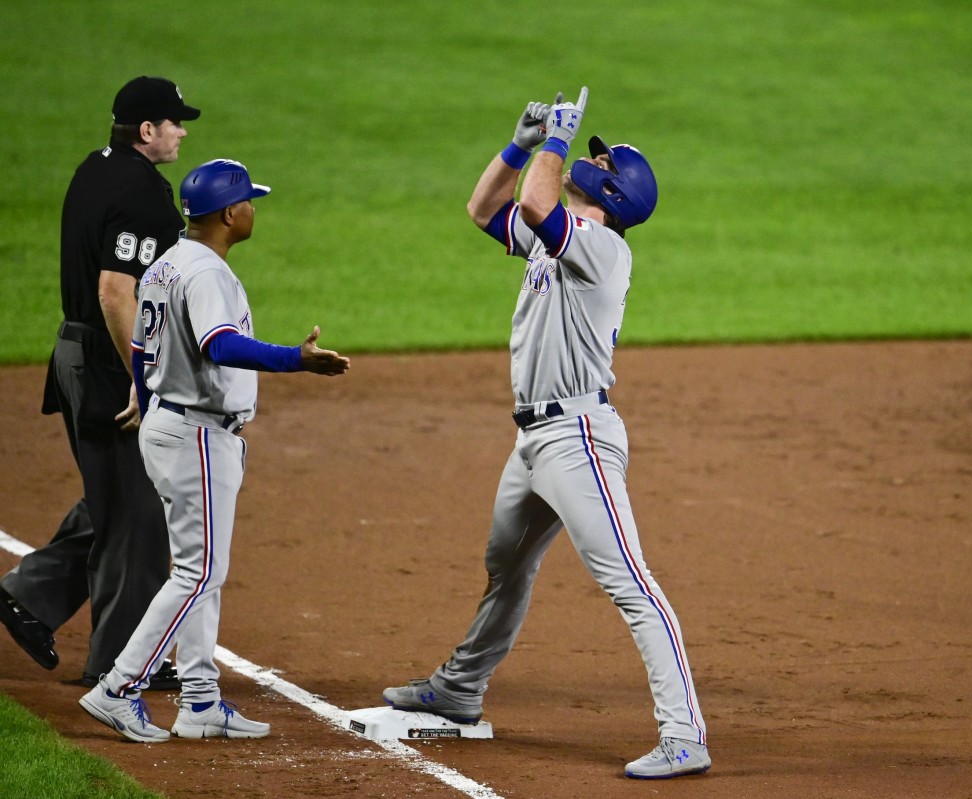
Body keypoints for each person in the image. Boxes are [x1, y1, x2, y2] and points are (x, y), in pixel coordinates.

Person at [381, 87, 710, 779]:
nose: (585, 160)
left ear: (613, 191)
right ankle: (461, 688)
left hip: (578, 439)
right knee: (507, 565)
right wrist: (521, 142)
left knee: (630, 582)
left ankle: (686, 735)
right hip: (534, 443)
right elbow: (485, 210)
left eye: (598, 159)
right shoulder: (564, 234)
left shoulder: (601, 249)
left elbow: (536, 205)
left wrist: (557, 143)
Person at [78, 158, 351, 742]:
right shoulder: (205, 273)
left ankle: (200, 701)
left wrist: (153, 405)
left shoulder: (167, 263)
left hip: (176, 426)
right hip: (197, 434)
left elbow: (140, 345)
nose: (254, 208)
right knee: (198, 573)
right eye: (249, 201)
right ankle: (118, 686)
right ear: (230, 214)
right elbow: (220, 345)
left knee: (199, 571)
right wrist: (294, 360)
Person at [0, 76, 201, 690]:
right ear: (148, 130)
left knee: (123, 497)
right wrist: (141, 376)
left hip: (77, 350)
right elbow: (117, 290)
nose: (182, 132)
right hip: (109, 360)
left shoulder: (97, 166)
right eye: (173, 123)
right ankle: (121, 666)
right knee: (138, 516)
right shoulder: (142, 194)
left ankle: (29, 595)